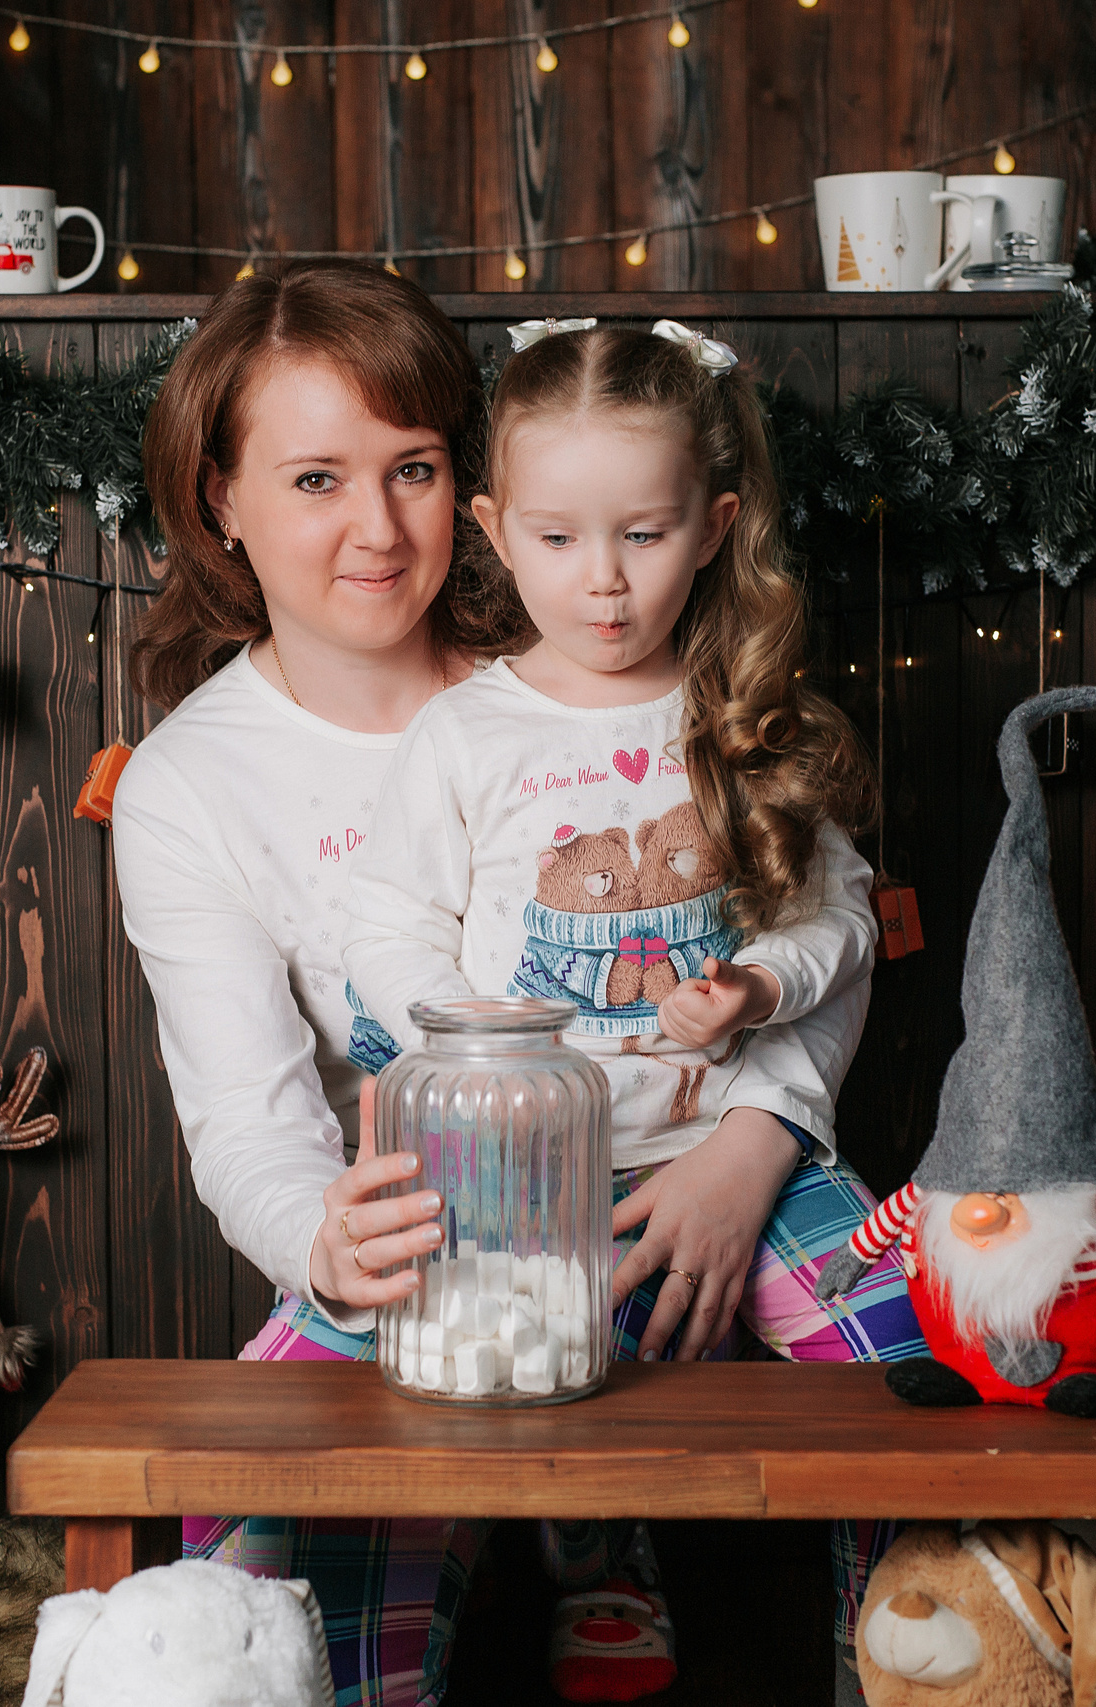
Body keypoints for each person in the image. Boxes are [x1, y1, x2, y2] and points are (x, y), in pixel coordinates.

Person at [340, 319, 924, 1705]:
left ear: (716, 526)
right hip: (523, 1168)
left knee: (906, 1346)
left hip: (734, 1152)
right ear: (493, 526)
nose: (601, 585)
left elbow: (841, 918)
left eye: (645, 535)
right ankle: (589, 1563)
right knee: (477, 1378)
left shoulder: (747, 715)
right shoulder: (469, 734)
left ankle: (901, 1638)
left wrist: (760, 985)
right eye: (554, 539)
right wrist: (475, 1034)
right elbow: (383, 924)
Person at [110, 261, 532, 1707]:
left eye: (412, 467)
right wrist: (324, 1246)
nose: (378, 527)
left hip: (659, 1200)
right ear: (219, 498)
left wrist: (750, 1154)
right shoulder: (190, 787)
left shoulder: (571, 687)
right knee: (247, 1629)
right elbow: (248, 1117)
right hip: (411, 1249)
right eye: (316, 478)